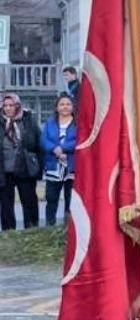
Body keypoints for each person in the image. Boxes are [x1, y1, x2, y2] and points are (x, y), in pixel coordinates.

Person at [1, 93, 42, 230]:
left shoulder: (28, 120)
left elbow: (37, 143)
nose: (8, 108)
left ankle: (31, 230)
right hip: (4, 170)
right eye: (5, 105)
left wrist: (39, 167)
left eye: (11, 105)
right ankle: (9, 232)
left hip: (25, 168)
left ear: (17, 105)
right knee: (6, 204)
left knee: (29, 201)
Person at [41, 95, 77, 226]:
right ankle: (50, 226)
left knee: (70, 199)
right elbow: (43, 140)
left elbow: (79, 140)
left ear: (73, 107)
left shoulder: (78, 123)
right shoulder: (50, 123)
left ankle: (69, 228)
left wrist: (62, 148)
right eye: (62, 104)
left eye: (68, 104)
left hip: (71, 166)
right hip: (53, 165)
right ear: (57, 107)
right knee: (51, 198)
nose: (65, 107)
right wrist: (54, 149)